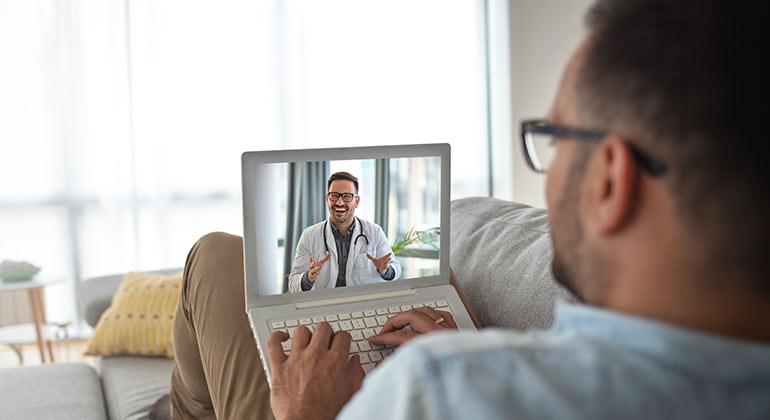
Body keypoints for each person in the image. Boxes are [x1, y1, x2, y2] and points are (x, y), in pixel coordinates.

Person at [170, 0, 770, 418]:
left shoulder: (439, 388)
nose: (341, 203)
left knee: (215, 258)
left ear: (610, 181)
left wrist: (307, 411)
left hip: (339, 372)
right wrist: (467, 343)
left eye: (555, 138)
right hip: (359, 330)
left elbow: (383, 272)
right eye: (335, 196)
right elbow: (303, 277)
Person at [287, 171, 401, 292]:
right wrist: (308, 278)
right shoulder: (309, 235)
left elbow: (396, 270)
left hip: (363, 303)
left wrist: (385, 270)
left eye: (347, 196)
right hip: (325, 305)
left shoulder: (374, 232)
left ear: (356, 201)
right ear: (327, 199)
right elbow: (293, 283)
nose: (339, 202)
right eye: (334, 196)